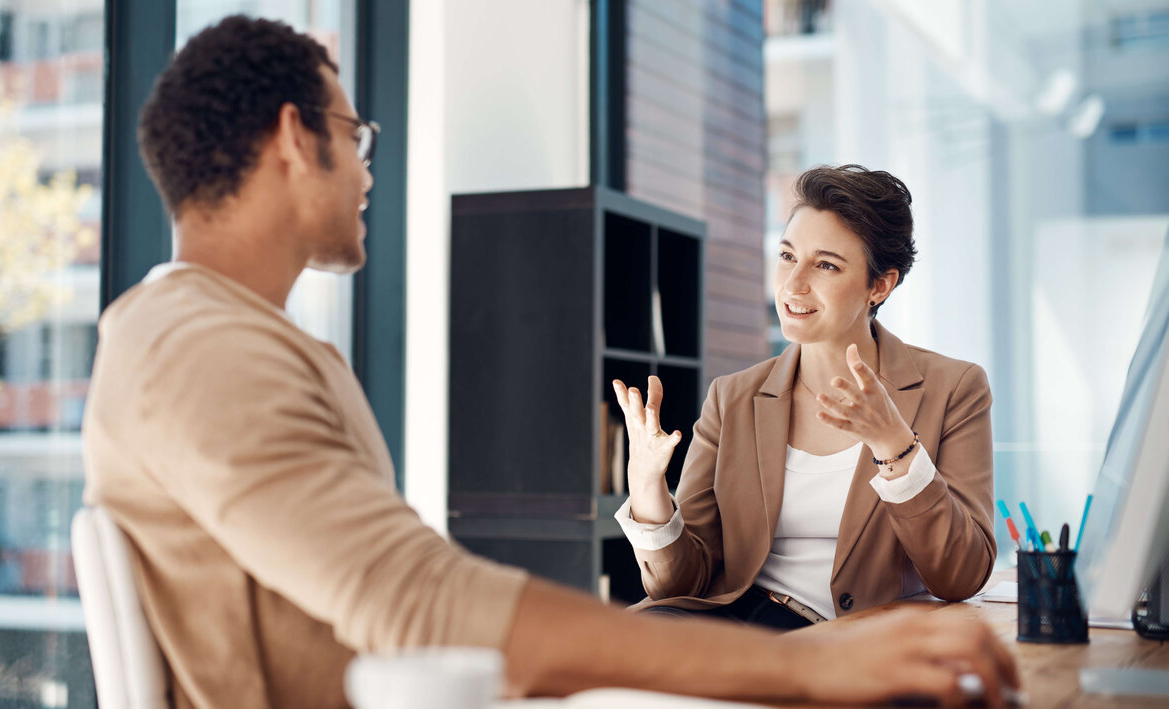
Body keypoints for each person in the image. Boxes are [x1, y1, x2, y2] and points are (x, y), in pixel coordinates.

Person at [82, 16, 1018, 709]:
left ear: (879, 282)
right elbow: (417, 599)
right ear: (295, 139)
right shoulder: (197, 348)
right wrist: (798, 667)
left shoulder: (244, 341)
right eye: (355, 134)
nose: (369, 168)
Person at [613, 164, 996, 630]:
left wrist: (896, 446)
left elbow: (963, 575)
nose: (793, 285)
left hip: (853, 642)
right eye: (787, 256)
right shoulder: (732, 398)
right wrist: (648, 490)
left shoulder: (954, 389)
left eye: (826, 265)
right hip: (738, 625)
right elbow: (683, 585)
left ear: (880, 285)